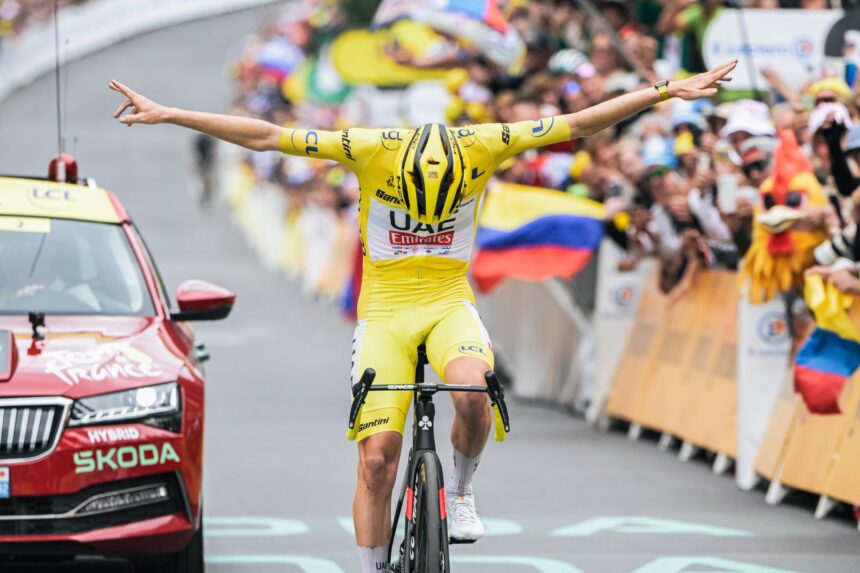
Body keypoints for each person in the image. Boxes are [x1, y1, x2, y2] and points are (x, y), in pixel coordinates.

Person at [108, 58, 736, 573]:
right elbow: (269, 136)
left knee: (471, 391)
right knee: (378, 458)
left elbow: (578, 123)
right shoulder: (368, 146)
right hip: (382, 312)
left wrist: (663, 91)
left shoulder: (486, 142)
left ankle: (459, 490)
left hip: (447, 303)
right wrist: (170, 113)